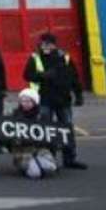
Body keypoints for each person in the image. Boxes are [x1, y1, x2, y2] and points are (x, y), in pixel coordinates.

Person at [24, 33, 86, 170]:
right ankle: (49, 159)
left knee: (67, 129)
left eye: (48, 44)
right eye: (43, 43)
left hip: (63, 99)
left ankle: (70, 159)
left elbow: (74, 77)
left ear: (54, 45)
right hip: (45, 99)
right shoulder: (35, 58)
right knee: (47, 130)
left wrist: (79, 94)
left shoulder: (65, 58)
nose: (45, 46)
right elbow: (27, 75)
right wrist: (43, 76)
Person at [6, 87, 59, 180]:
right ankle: (27, 166)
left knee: (51, 168)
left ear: (34, 102)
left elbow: (50, 134)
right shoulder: (14, 115)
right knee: (35, 174)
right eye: (23, 101)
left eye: (28, 101)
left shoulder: (42, 116)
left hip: (40, 149)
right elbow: (8, 137)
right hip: (23, 151)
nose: (25, 103)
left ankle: (37, 162)